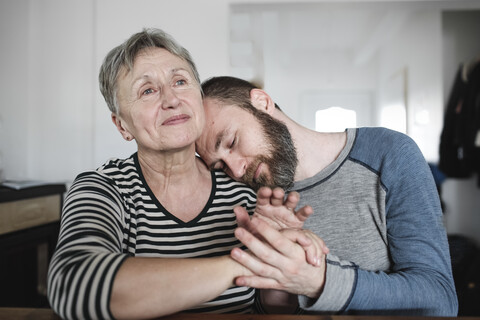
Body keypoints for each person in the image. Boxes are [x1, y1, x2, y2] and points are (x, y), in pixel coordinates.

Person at [46, 29, 323, 320]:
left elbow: (269, 309)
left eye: (180, 81)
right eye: (148, 90)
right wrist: (244, 265)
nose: (172, 99)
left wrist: (278, 259)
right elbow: (73, 286)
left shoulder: (244, 193)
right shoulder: (103, 188)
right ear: (122, 126)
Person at [195, 76, 459, 316]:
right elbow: (273, 311)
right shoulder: (252, 202)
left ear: (262, 102)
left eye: (231, 142)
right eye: (219, 165)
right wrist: (278, 270)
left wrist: (321, 280)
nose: (237, 169)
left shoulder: (389, 154)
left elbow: (440, 299)